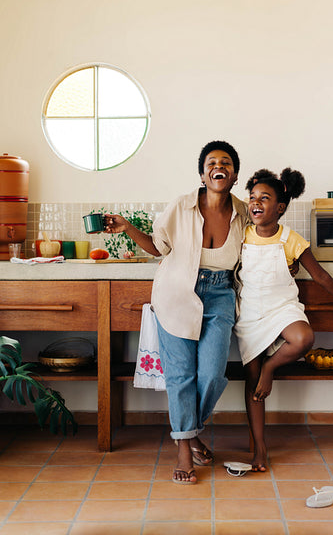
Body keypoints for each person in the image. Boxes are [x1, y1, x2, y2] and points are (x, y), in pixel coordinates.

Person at [104, 141, 248, 484]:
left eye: (226, 162)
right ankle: (184, 448)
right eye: (212, 162)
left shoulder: (244, 212)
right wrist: (127, 227)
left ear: (234, 175)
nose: (219, 166)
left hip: (221, 294)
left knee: (212, 375)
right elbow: (158, 247)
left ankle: (190, 430)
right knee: (181, 376)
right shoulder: (181, 207)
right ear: (202, 173)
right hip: (177, 292)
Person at [234, 167, 333, 472]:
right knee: (252, 384)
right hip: (250, 314)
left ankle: (271, 366)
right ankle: (260, 449)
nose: (255, 203)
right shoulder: (241, 234)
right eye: (252, 197)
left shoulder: (291, 239)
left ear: (280, 207)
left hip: (283, 308)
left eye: (264, 198)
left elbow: (319, 275)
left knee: (304, 338)